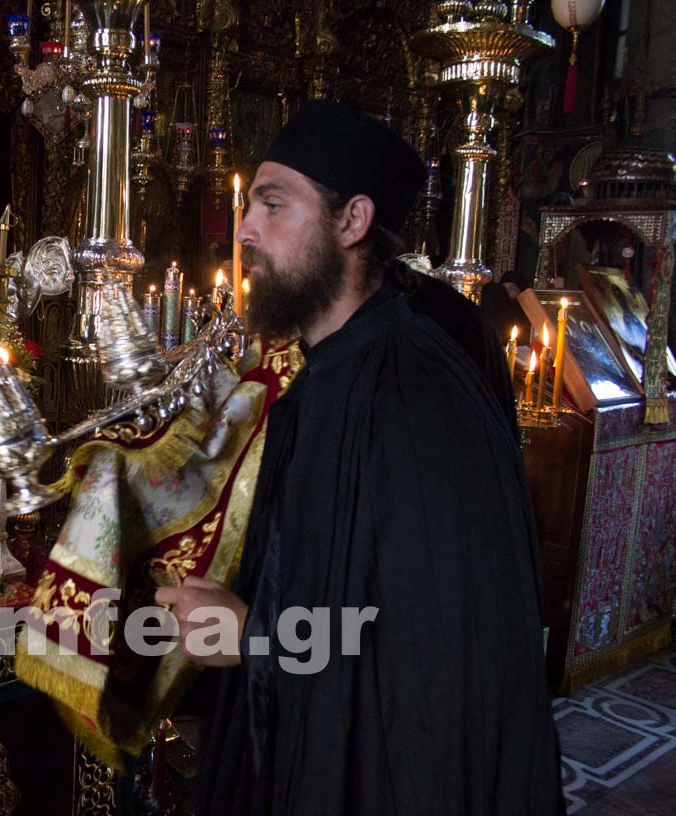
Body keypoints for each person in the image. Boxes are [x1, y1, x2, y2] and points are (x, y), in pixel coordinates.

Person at [156, 101, 563, 815]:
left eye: (273, 205)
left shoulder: (419, 396)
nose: (245, 231)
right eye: (250, 207)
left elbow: (438, 652)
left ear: (352, 221)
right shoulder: (323, 374)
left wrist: (253, 636)